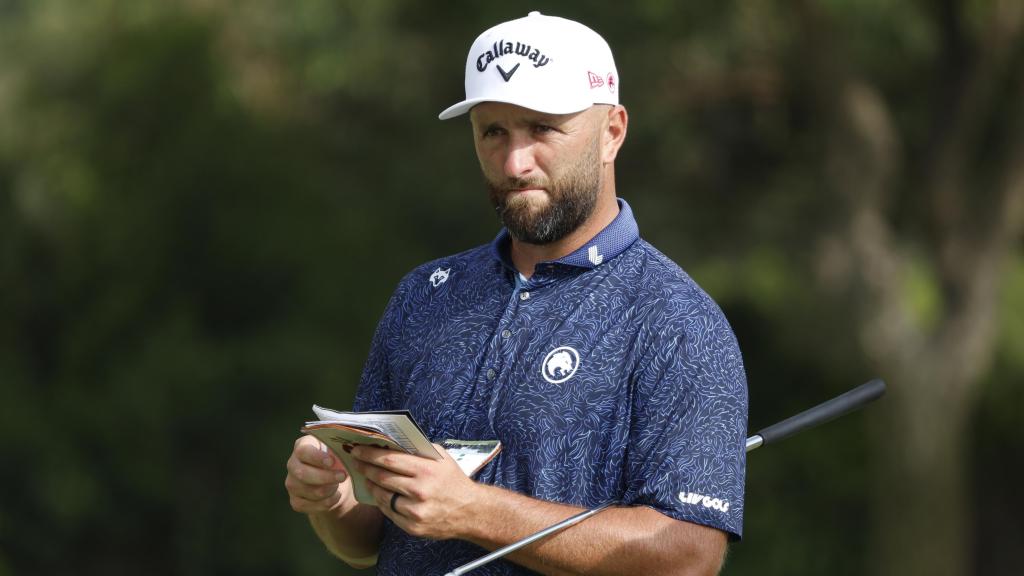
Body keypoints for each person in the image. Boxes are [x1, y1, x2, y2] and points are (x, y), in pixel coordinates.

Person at [285, 11, 748, 576]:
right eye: (493, 132)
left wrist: (475, 511)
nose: (514, 162)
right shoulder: (426, 294)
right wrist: (334, 499)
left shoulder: (678, 320)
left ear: (612, 131)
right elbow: (369, 538)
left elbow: (688, 557)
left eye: (543, 129)